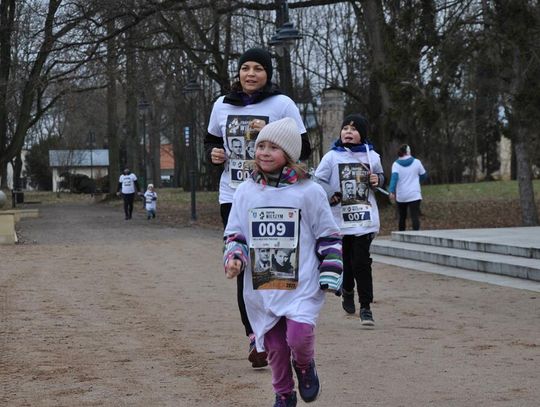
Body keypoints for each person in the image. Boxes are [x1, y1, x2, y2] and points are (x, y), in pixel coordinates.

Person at [204, 47, 311, 368]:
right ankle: (256, 338)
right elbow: (210, 142)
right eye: (245, 68)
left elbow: (304, 146)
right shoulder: (221, 105)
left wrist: (275, 149)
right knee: (244, 269)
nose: (250, 74)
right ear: (238, 73)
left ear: (268, 74)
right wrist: (213, 154)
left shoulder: (282, 104)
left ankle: (279, 333)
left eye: (258, 69)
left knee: (274, 268)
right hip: (234, 196)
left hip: (275, 197)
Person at [223, 118, 342, 406]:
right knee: (275, 347)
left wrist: (330, 270)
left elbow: (328, 235)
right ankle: (284, 393)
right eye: (260, 145)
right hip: (263, 286)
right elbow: (235, 232)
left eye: (273, 147)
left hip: (301, 283)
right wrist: (235, 256)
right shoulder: (245, 192)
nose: (263, 152)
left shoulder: (309, 191)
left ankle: (304, 366)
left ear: (289, 154)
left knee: (299, 338)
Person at [314, 113, 384, 326]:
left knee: (362, 262)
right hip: (339, 220)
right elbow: (318, 180)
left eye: (353, 129)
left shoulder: (372, 156)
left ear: (361, 134)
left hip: (363, 219)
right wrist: (330, 194)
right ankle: (347, 289)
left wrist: (377, 179)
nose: (348, 132)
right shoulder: (332, 157)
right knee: (346, 261)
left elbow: (380, 177)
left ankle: (366, 307)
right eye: (345, 128)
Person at [388, 144, 427, 231]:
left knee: (402, 217)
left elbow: (394, 178)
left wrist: (392, 191)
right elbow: (424, 175)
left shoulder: (396, 164)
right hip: (414, 194)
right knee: (414, 216)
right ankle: (416, 235)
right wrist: (417, 181)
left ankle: (401, 235)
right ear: (409, 152)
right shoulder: (417, 162)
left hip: (402, 195)